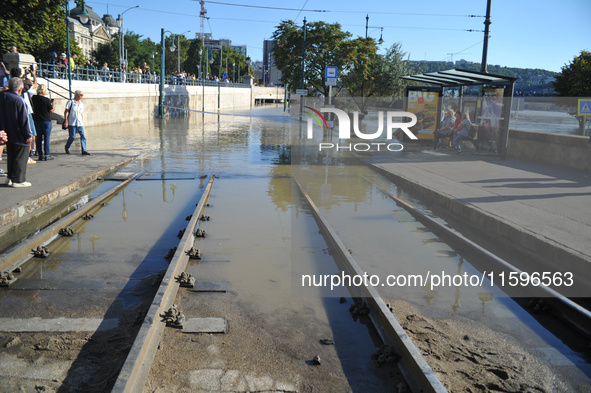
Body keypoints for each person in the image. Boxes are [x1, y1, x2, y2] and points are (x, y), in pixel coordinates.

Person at [0, 77, 33, 187]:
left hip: (6, 131)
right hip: (18, 132)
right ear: (20, 89)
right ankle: (19, 180)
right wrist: (28, 134)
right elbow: (23, 119)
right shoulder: (19, 100)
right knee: (21, 156)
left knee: (11, 155)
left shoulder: (2, 96)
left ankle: (10, 177)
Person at [32, 84, 55, 161]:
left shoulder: (34, 98)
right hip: (46, 120)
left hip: (37, 120)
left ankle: (40, 155)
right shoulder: (46, 100)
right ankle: (47, 154)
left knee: (38, 138)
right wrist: (53, 103)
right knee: (46, 138)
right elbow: (51, 110)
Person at [64, 90, 90, 155]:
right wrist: (66, 121)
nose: (82, 96)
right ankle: (67, 147)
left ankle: (84, 150)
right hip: (72, 122)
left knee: (83, 136)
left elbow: (81, 113)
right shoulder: (71, 102)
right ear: (76, 95)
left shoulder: (81, 104)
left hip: (80, 123)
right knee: (72, 136)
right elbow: (66, 111)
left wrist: (82, 121)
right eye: (80, 95)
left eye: (82, 95)